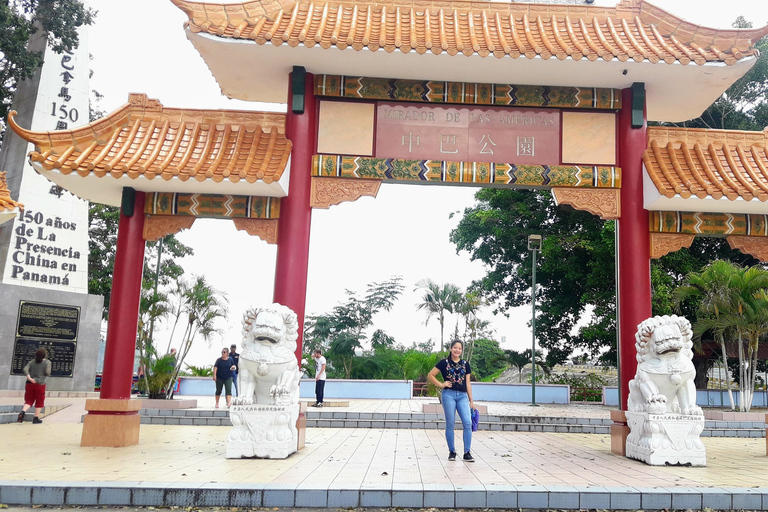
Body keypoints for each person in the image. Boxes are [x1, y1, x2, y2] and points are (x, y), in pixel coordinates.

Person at [427, 340, 475, 462]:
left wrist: (471, 400)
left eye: (459, 348)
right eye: (455, 348)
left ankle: (467, 452)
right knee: (450, 423)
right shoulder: (444, 363)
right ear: (450, 348)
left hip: (463, 396)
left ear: (461, 350)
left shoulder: (465, 364)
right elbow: (431, 375)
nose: (457, 350)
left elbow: (468, 383)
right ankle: (452, 451)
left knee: (467, 422)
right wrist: (441, 384)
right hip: (449, 395)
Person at [18, 347, 52, 424]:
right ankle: (36, 418)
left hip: (29, 383)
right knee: (39, 401)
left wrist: (29, 377)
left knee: (29, 400)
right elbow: (48, 372)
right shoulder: (47, 362)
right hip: (40, 384)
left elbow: (25, 369)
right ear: (45, 355)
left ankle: (22, 412)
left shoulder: (32, 362)